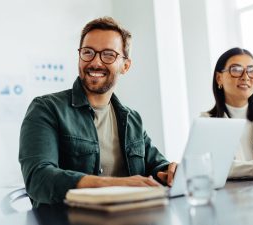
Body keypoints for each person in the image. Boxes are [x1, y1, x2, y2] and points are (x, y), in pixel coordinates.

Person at [19, 17, 177, 207]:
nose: (95, 62)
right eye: (88, 52)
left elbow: (155, 166)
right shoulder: (46, 108)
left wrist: (171, 171)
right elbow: (38, 179)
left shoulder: (132, 118)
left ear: (125, 66)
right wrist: (114, 184)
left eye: (108, 55)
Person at [202, 47, 253, 178]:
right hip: (231, 196)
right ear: (219, 78)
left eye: (252, 71)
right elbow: (215, 166)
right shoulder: (206, 122)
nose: (245, 77)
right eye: (236, 70)